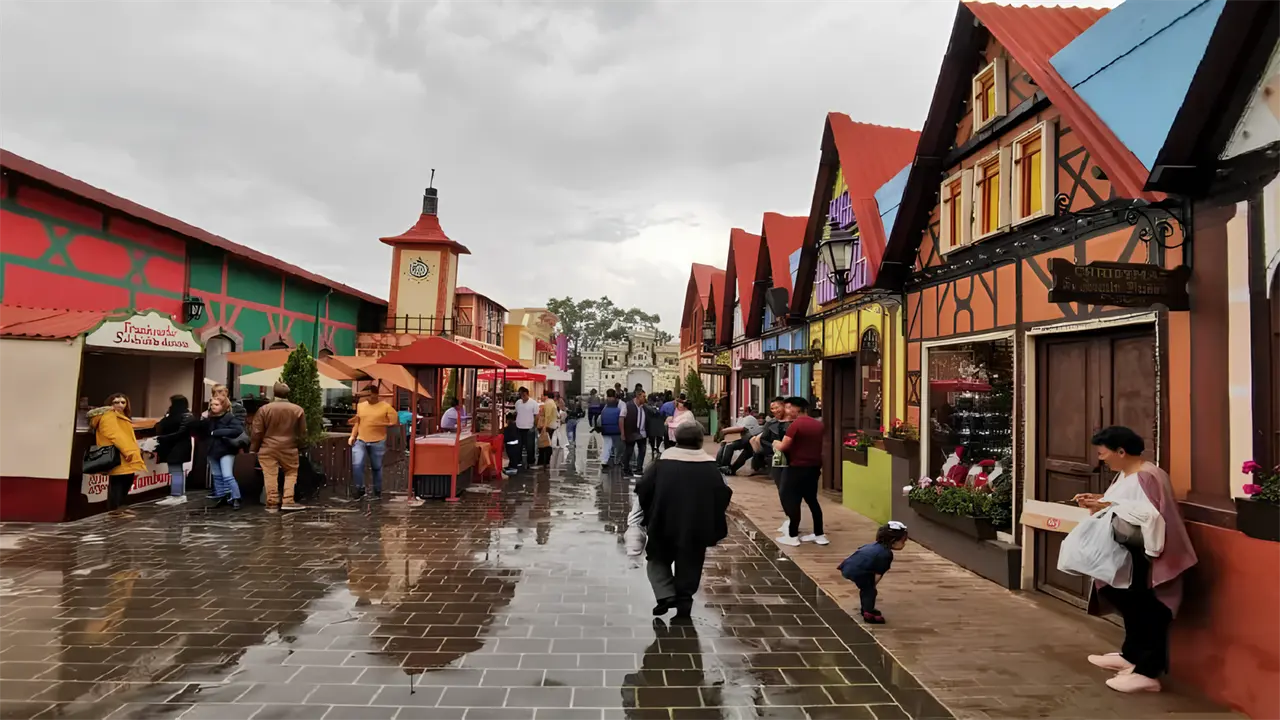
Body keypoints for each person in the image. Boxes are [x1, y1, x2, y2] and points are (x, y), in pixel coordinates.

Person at [1078, 426, 1197, 694]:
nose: (1101, 459)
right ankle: (1130, 656)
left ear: (1121, 451)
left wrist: (1105, 506)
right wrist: (1100, 502)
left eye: (1103, 453)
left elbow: (1148, 515)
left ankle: (1147, 671)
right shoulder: (1129, 474)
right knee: (1127, 601)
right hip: (1129, 554)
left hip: (1144, 557)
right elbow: (1125, 505)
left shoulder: (1146, 476)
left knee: (1147, 610)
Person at [635, 421, 733, 620]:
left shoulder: (660, 464)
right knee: (691, 563)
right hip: (696, 526)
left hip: (662, 522)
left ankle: (665, 595)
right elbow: (723, 494)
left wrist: (649, 513)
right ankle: (684, 602)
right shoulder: (711, 467)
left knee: (656, 559)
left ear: (676, 439)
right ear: (700, 441)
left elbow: (643, 489)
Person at [773, 396, 827, 546]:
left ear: (798, 409)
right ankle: (819, 534)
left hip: (796, 468)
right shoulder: (818, 425)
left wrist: (776, 443)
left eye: (790, 408)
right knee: (812, 500)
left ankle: (792, 535)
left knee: (792, 500)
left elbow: (784, 446)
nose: (787, 411)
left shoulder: (795, 425)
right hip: (814, 467)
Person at [251, 381, 308, 513]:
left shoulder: (264, 409)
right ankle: (288, 500)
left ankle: (272, 502)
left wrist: (254, 448)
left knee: (270, 474)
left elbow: (257, 432)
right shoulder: (298, 410)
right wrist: (301, 446)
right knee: (291, 472)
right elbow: (303, 432)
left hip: (268, 447)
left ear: (274, 393)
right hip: (289, 446)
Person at [839, 521, 909, 624]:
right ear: (893, 541)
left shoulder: (873, 545)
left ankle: (866, 608)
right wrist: (872, 586)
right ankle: (868, 612)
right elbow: (878, 574)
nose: (904, 544)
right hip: (858, 571)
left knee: (867, 589)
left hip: (848, 566)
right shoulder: (886, 554)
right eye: (903, 541)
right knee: (870, 591)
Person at [88, 393, 146, 510]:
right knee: (119, 484)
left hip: (122, 454)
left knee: (122, 482)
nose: (120, 405)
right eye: (116, 402)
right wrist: (128, 451)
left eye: (123, 402)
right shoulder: (109, 415)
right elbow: (114, 435)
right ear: (110, 404)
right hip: (120, 454)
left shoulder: (120, 415)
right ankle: (116, 511)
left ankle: (117, 509)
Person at [751, 397, 793, 535]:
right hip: (776, 460)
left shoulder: (793, 422)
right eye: (772, 409)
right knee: (781, 490)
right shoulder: (771, 424)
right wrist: (774, 447)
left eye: (777, 407)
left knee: (791, 491)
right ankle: (789, 518)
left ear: (784, 406)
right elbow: (763, 440)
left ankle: (794, 520)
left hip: (793, 460)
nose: (775, 411)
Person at [349, 385, 398, 500]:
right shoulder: (361, 406)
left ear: (376, 394)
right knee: (357, 463)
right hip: (361, 439)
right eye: (365, 395)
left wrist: (380, 423)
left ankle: (377, 490)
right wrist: (352, 436)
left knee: (376, 467)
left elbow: (393, 422)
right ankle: (359, 488)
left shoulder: (386, 407)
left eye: (369, 394)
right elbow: (358, 422)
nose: (367, 397)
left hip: (378, 440)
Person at [205, 394, 245, 510]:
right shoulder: (210, 418)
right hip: (212, 449)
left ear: (224, 405)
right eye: (212, 404)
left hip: (226, 449)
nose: (213, 407)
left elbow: (238, 430)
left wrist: (217, 432)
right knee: (217, 476)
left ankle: (236, 497)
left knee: (227, 475)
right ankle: (221, 496)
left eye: (216, 404)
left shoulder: (229, 417)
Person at [154, 395, 195, 506]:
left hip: (178, 447)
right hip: (174, 447)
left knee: (176, 471)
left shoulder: (186, 416)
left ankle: (177, 495)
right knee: (175, 471)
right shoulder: (174, 414)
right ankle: (178, 494)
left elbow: (181, 433)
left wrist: (162, 438)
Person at [718, 409, 762, 476]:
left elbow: (742, 428)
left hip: (749, 439)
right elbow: (737, 427)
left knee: (730, 446)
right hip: (748, 439)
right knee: (743, 456)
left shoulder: (750, 418)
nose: (740, 413)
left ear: (748, 412)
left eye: (742, 411)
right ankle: (732, 469)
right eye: (740, 411)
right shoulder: (742, 419)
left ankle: (725, 467)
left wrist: (725, 431)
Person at [620, 388, 648, 476]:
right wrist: (622, 433)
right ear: (638, 396)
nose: (645, 398)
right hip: (631, 432)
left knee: (642, 450)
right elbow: (621, 419)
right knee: (629, 451)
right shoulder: (627, 406)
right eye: (643, 397)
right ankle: (626, 469)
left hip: (642, 433)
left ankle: (639, 468)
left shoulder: (645, 407)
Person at [595, 389, 623, 468]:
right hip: (616, 429)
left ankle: (604, 460)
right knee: (618, 445)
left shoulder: (604, 406)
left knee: (607, 445)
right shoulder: (619, 406)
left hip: (606, 428)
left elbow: (599, 418)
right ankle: (617, 460)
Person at [513, 387, 539, 469]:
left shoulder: (533, 403)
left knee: (530, 446)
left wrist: (534, 426)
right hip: (519, 427)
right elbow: (517, 413)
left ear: (527, 394)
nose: (522, 396)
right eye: (520, 394)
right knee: (519, 445)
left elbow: (536, 416)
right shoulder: (518, 403)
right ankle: (519, 461)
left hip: (529, 427)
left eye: (523, 394)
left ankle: (530, 461)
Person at [501, 411, 521, 475]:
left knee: (512, 457)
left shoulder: (508, 428)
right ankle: (512, 466)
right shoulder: (516, 426)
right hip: (516, 444)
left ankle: (513, 468)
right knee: (513, 458)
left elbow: (505, 437)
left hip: (510, 444)